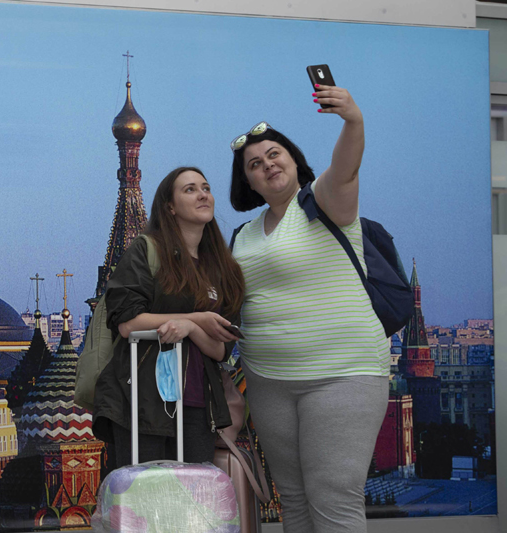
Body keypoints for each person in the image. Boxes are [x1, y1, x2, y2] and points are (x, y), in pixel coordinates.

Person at [229, 85, 390, 533]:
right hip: (269, 382)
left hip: (341, 373)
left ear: (295, 160)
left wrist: (353, 121)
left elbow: (346, 166)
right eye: (255, 165)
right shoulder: (243, 235)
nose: (268, 165)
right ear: (249, 182)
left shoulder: (323, 201)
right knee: (294, 502)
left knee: (334, 500)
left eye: (275, 153)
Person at [92, 166, 245, 468]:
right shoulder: (147, 251)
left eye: (206, 187)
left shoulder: (224, 269)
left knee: (191, 503)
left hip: (199, 405)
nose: (202, 194)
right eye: (190, 189)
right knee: (144, 500)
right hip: (142, 400)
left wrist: (190, 325)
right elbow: (128, 323)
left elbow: (220, 349)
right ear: (170, 207)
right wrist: (198, 317)